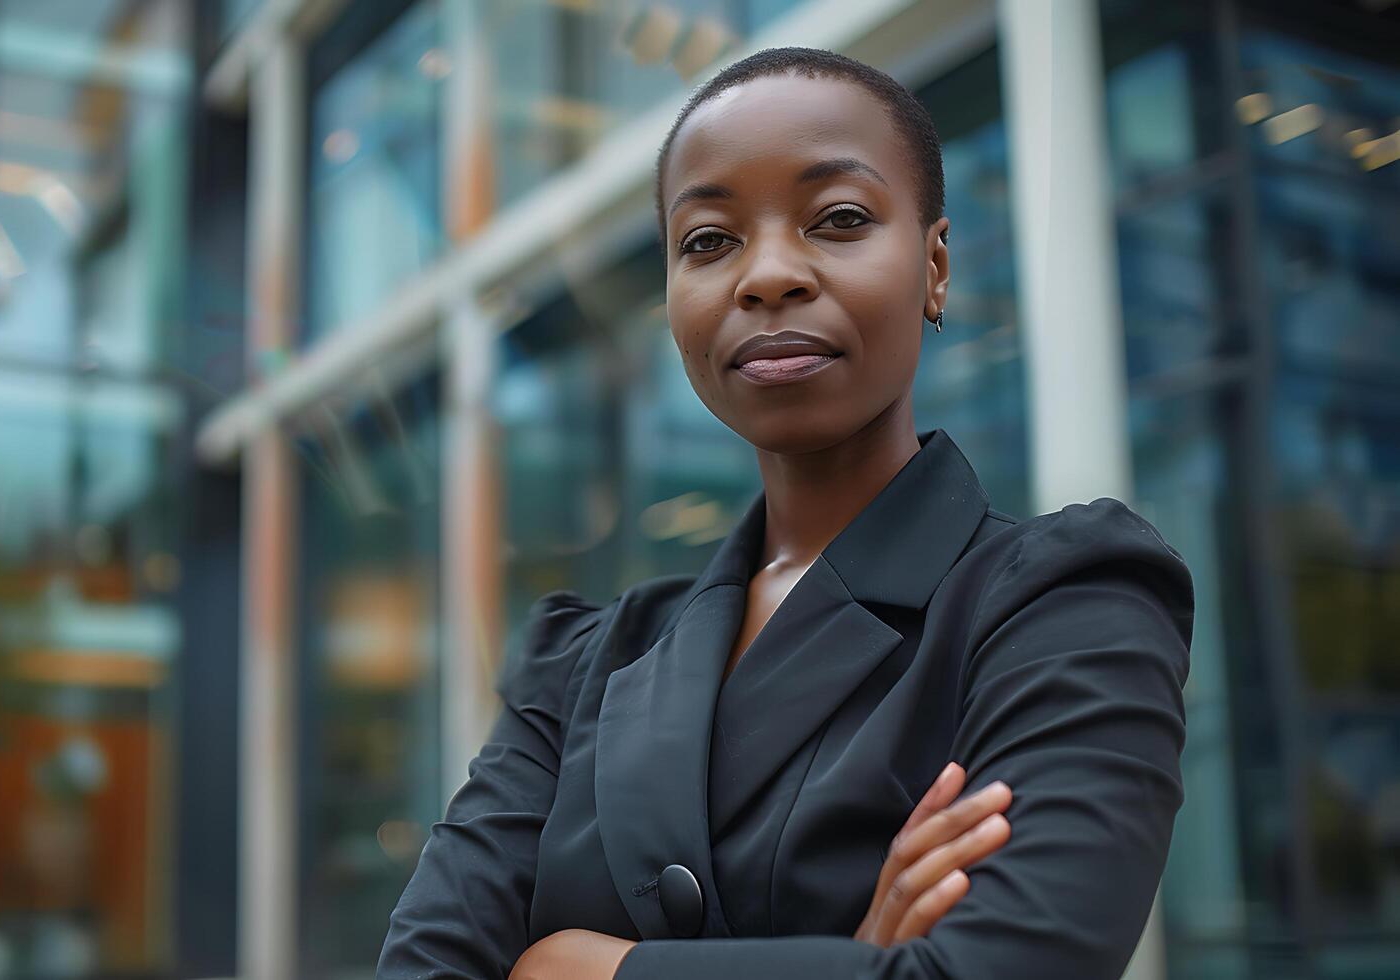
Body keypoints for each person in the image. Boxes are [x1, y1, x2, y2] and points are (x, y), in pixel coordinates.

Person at [376, 46, 1192, 980]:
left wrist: (575, 967)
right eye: (708, 241)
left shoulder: (1064, 602)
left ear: (933, 267)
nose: (766, 275)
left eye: (837, 219)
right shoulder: (579, 665)